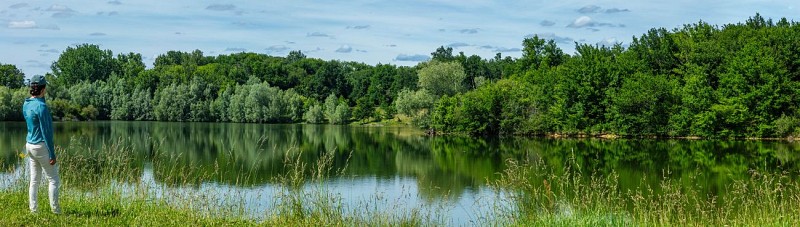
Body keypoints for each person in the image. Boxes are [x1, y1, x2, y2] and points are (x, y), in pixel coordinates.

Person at [23, 75, 60, 214]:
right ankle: (56, 211)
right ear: (43, 89)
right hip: (41, 146)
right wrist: (52, 153)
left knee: (34, 180)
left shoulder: (26, 103)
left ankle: (33, 210)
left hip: (29, 145)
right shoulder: (42, 107)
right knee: (54, 180)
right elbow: (47, 132)